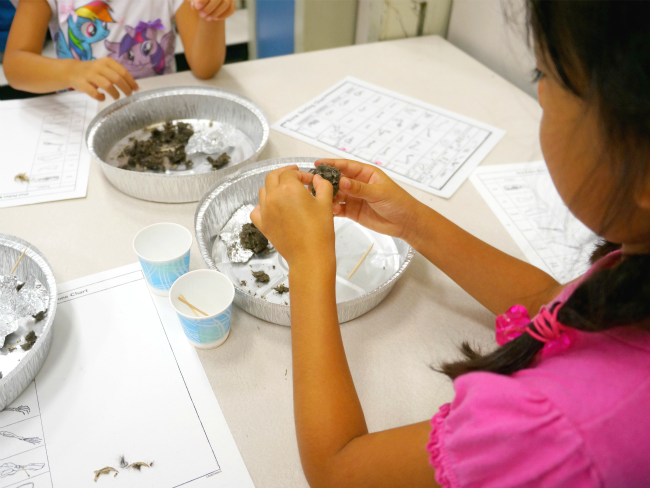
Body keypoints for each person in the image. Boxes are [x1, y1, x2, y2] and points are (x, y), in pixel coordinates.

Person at [250, 0, 650, 486]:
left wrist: (309, 262)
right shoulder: (632, 272)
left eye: (547, 74)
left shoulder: (561, 428)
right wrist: (412, 223)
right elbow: (553, 307)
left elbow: (339, 470)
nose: (541, 94)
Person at [3, 0, 234, 101]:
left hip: (158, 113)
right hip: (80, 119)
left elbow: (205, 68)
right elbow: (15, 66)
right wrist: (72, 71)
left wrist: (212, 12)